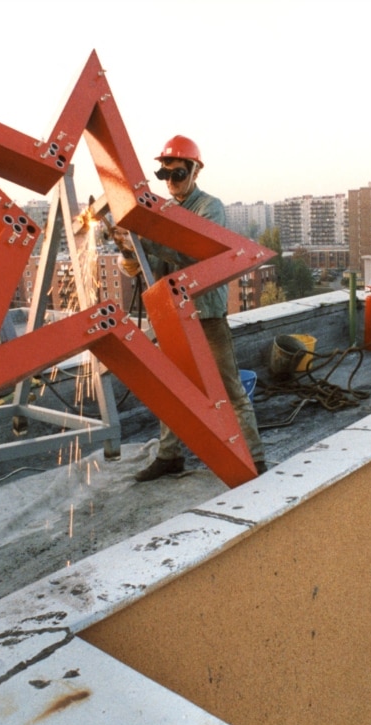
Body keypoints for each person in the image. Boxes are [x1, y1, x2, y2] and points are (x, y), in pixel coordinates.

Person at [117, 135, 267, 481]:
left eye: (178, 173)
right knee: (173, 388)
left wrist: (147, 237)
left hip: (204, 313)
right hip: (170, 315)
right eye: (164, 175)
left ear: (195, 171)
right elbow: (149, 264)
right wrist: (130, 251)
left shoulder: (208, 208)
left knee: (229, 390)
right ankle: (170, 456)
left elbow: (195, 253)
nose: (170, 182)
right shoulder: (163, 211)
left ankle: (255, 461)